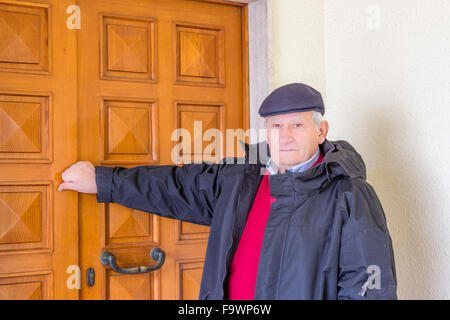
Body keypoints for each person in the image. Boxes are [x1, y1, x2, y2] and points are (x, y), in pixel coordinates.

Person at [59, 83, 397, 300]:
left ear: (321, 130)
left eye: (297, 124)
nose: (284, 136)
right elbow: (176, 187)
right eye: (276, 125)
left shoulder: (349, 195)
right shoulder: (241, 179)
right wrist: (104, 181)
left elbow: (368, 287)